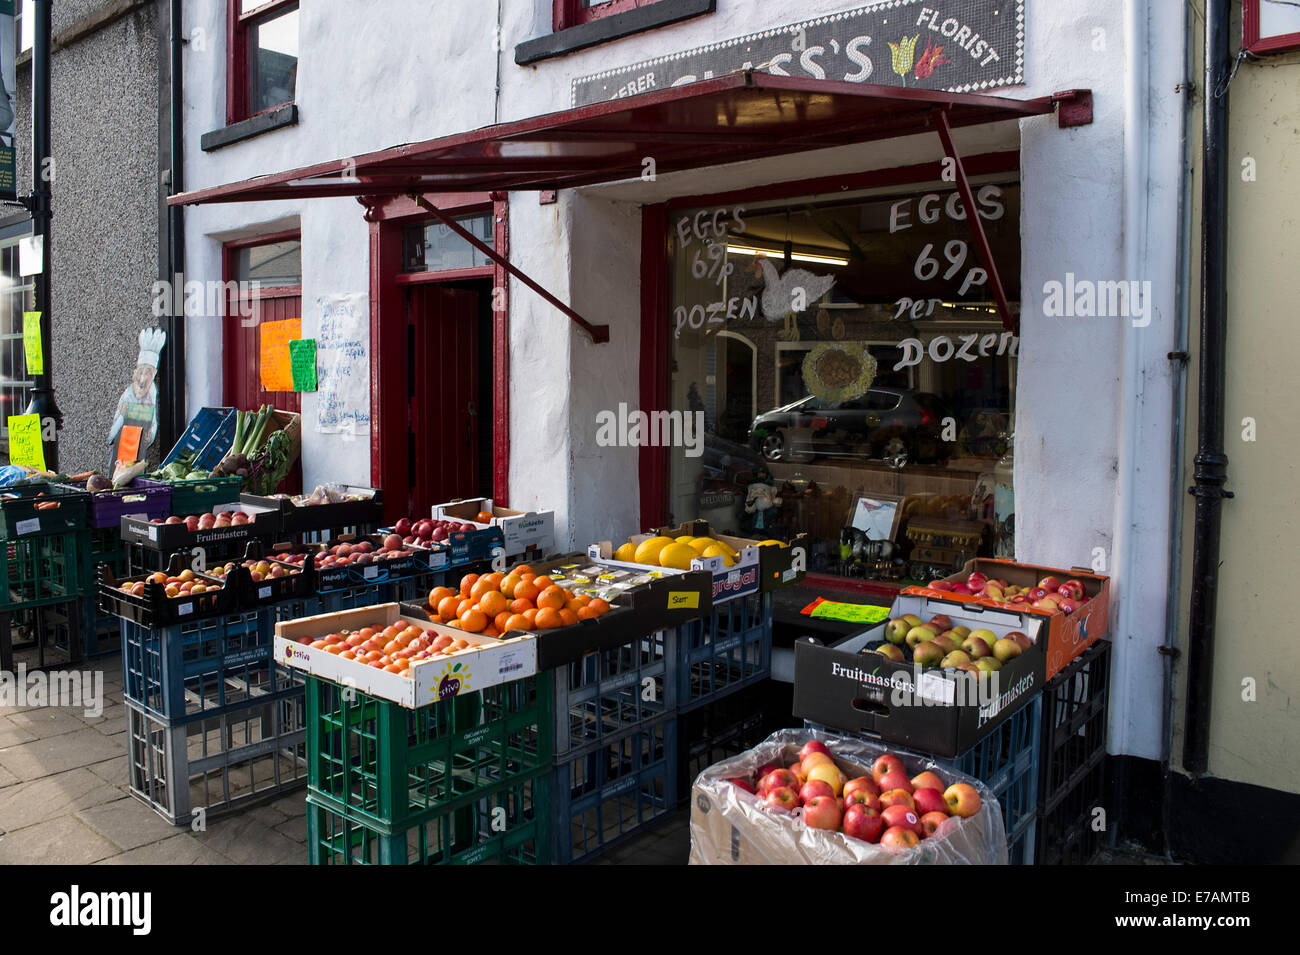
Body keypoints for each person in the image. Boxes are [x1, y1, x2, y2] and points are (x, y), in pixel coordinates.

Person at [108, 327, 166, 462]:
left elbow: (152, 423)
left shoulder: (151, 394)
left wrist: (149, 435)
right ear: (135, 373)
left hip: (138, 449)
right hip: (122, 446)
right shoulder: (128, 394)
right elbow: (117, 421)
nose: (143, 378)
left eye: (148, 372)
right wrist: (122, 414)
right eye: (141, 372)